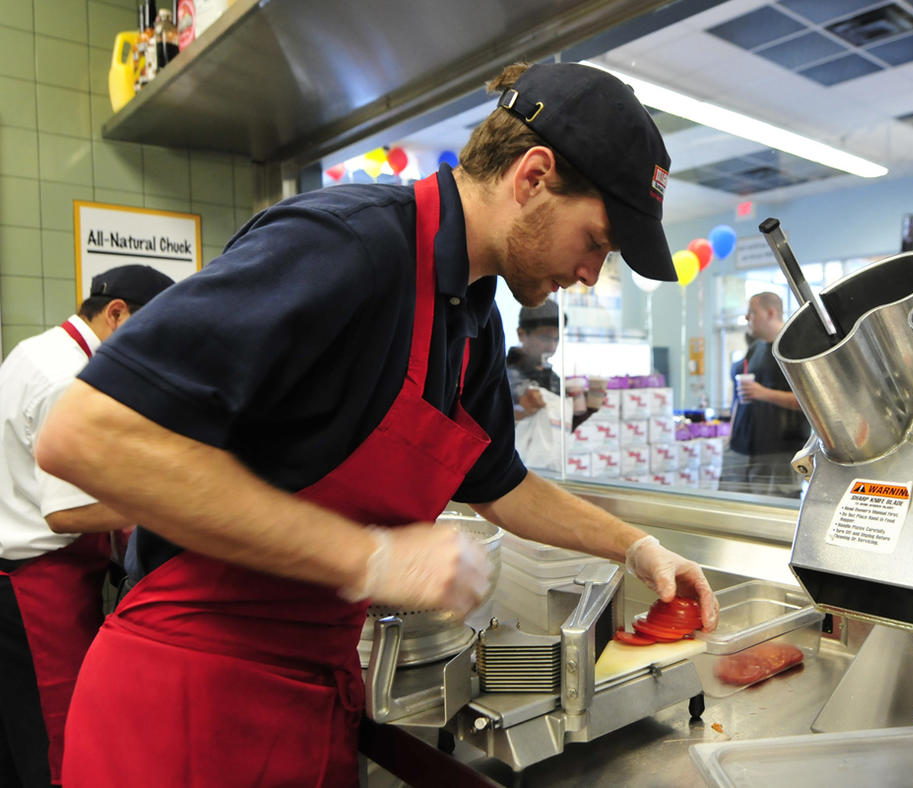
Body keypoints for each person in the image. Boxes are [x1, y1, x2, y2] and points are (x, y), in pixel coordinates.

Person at [35, 62, 718, 787]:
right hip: (186, 699)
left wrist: (637, 548)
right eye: (597, 241)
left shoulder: (475, 317)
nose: (591, 274)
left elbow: (498, 483)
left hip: (309, 694)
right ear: (533, 177)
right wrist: (371, 560)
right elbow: (84, 434)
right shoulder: (344, 246)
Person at [0, 264, 174, 788]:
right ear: (116, 314)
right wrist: (167, 507)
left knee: (15, 744)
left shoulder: (35, 350)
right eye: (153, 335)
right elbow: (64, 513)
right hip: (38, 591)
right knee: (56, 749)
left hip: (18, 578)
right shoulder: (68, 378)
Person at [720, 292, 809, 498]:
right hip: (743, 450)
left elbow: (807, 401)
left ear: (770, 313)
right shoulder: (754, 349)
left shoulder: (795, 349)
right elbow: (739, 400)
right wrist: (731, 436)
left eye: (752, 312)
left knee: (770, 513)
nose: (746, 318)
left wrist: (764, 393)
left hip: (779, 453)